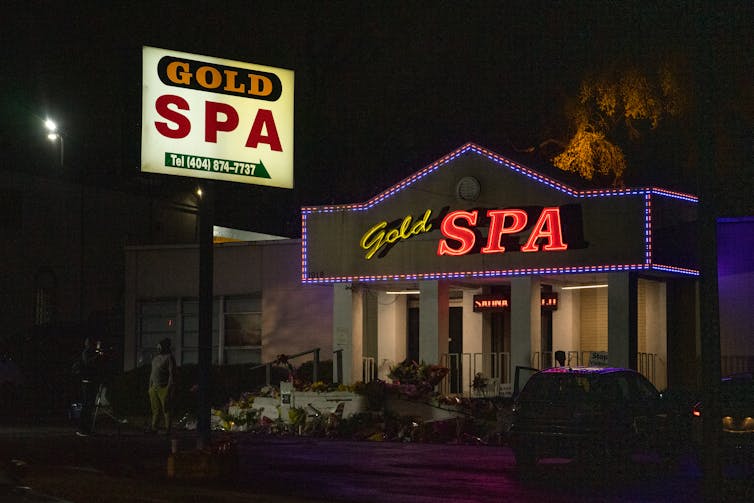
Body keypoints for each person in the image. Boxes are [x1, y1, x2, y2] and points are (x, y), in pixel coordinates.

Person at [148, 338, 176, 434]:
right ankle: (154, 427)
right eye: (158, 347)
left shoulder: (169, 358)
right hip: (154, 387)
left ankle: (168, 428)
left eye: (160, 347)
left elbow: (172, 374)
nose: (158, 349)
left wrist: (169, 387)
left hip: (164, 387)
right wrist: (150, 387)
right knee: (155, 409)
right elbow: (152, 373)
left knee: (166, 409)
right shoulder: (155, 359)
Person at [76, 337, 101, 436]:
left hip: (91, 382)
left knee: (89, 406)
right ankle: (82, 428)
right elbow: (88, 363)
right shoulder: (86, 352)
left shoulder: (92, 352)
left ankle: (87, 428)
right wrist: (97, 356)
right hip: (87, 382)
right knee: (87, 405)